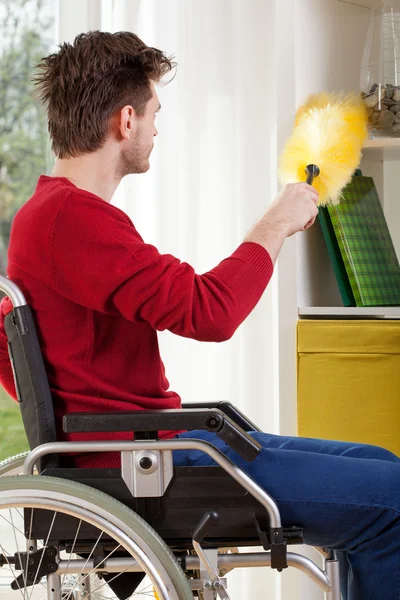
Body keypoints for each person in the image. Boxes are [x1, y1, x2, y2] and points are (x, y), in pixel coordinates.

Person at [0, 31, 399, 600]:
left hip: (154, 443)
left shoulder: (50, 214)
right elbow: (211, 312)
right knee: (392, 500)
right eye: (156, 114)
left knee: (380, 464)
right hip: (146, 463)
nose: (158, 129)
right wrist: (277, 221)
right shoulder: (72, 221)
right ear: (127, 120)